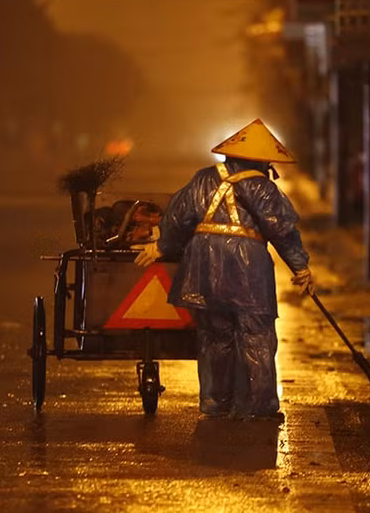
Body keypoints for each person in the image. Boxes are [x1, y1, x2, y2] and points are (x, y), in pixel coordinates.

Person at [134, 119, 313, 419]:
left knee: (215, 337)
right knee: (256, 336)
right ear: (263, 161)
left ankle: (216, 403)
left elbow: (178, 217)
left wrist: (162, 246)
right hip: (249, 271)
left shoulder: (203, 179)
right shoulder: (263, 188)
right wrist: (300, 266)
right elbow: (281, 229)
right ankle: (258, 406)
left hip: (204, 267)